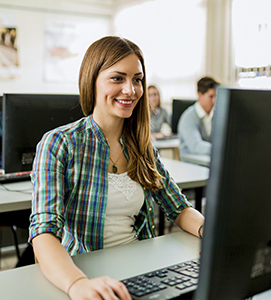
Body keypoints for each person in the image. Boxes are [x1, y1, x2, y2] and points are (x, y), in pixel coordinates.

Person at [29, 36, 205, 300]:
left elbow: (179, 208)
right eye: (117, 78)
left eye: (137, 79)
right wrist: (77, 284)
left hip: (142, 269)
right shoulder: (59, 144)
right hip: (83, 272)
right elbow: (44, 232)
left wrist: (212, 233)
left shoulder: (141, 146)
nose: (131, 90)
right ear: (93, 80)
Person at [178, 76, 220, 157]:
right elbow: (195, 146)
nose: (214, 100)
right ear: (199, 95)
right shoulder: (188, 117)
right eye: (211, 96)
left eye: (216, 96)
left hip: (207, 161)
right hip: (191, 164)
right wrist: (219, 149)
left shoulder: (216, 115)